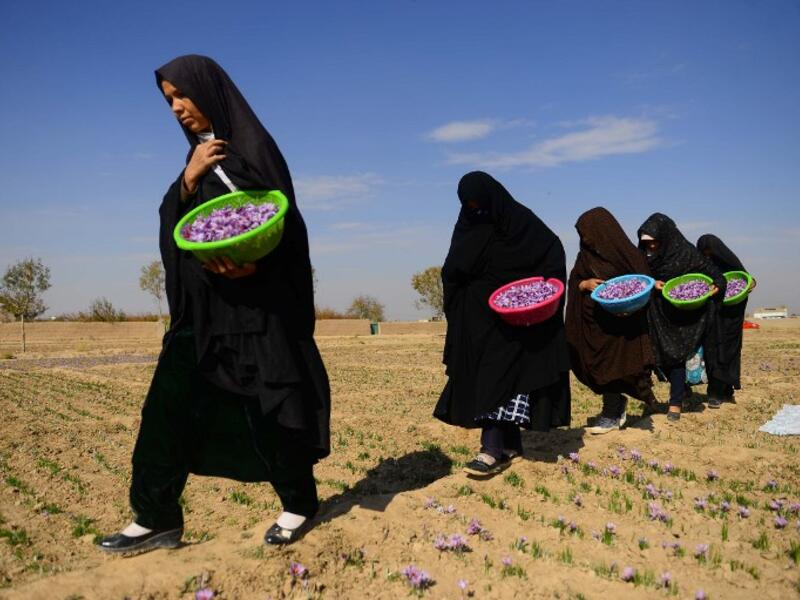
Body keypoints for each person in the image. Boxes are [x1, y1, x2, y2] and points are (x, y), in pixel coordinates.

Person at [97, 55, 330, 554]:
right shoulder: (198, 159)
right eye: (169, 101)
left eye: (183, 95)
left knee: (270, 409)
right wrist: (186, 179)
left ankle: (299, 502)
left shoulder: (254, 147)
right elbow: (179, 226)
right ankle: (155, 515)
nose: (178, 108)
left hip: (254, 312)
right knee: (165, 410)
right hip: (201, 316)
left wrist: (256, 265)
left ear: (210, 90)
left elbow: (284, 223)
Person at [434, 171, 571, 476]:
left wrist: (544, 291)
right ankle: (510, 445)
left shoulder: (520, 222)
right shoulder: (467, 226)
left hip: (515, 323)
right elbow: (452, 270)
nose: (476, 210)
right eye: (468, 205)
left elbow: (552, 251)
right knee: (489, 380)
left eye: (479, 203)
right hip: (478, 322)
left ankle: (491, 449)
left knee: (498, 380)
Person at [565, 208, 656, 434]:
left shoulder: (625, 253)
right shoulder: (584, 255)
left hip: (622, 324)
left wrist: (629, 303)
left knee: (617, 367)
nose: (585, 239)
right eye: (581, 234)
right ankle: (613, 407)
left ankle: (612, 412)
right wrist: (584, 285)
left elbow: (643, 282)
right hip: (595, 323)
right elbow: (575, 280)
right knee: (599, 367)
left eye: (588, 233)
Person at [637, 213, 725, 421]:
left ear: (666, 237)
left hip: (683, 316)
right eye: (646, 243)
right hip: (658, 314)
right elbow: (638, 277)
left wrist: (715, 287)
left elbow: (715, 275)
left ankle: (675, 403)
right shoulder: (642, 256)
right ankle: (682, 389)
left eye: (654, 242)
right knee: (661, 359)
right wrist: (653, 283)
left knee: (676, 357)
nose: (650, 247)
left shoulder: (686, 253)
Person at [697, 234, 755, 407]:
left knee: (729, 353)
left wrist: (751, 283)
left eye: (711, 252)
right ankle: (714, 393)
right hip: (712, 318)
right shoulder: (700, 267)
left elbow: (745, 282)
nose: (708, 256)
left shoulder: (731, 265)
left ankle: (726, 390)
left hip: (731, 319)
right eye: (704, 253)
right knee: (713, 353)